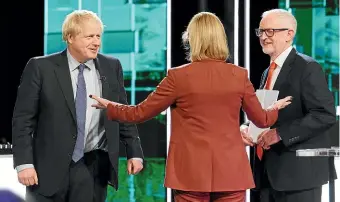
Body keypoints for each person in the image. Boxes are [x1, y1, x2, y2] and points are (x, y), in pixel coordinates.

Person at [90, 12, 292, 202]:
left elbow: (138, 113)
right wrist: (274, 108)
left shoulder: (178, 77)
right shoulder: (239, 75)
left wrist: (110, 106)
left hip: (190, 173)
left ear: (192, 39)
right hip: (231, 172)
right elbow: (263, 120)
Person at [12, 10, 144, 202]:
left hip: (92, 167)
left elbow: (121, 110)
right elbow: (23, 120)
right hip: (47, 169)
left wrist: (134, 152)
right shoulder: (41, 68)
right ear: (70, 37)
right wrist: (24, 163)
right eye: (90, 36)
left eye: (98, 36)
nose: (96, 42)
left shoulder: (111, 66)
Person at [240, 9, 336, 202]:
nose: (264, 37)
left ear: (289, 34)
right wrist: (248, 128)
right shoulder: (267, 72)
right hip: (267, 174)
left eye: (270, 31)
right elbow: (266, 112)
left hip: (299, 177)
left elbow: (324, 115)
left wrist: (280, 133)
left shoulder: (307, 67)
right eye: (261, 32)